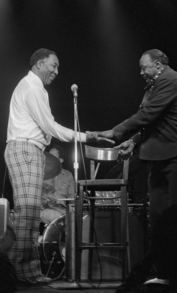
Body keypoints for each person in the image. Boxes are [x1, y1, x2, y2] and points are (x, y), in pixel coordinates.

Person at [89, 49, 177, 291]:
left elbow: (149, 114)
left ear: (159, 64)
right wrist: (134, 141)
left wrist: (115, 131)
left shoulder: (172, 79)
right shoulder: (154, 86)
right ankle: (165, 271)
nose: (141, 72)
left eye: (144, 67)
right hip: (161, 156)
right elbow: (156, 122)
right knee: (158, 216)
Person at [4, 48, 112, 286]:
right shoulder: (32, 87)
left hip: (30, 150)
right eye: (54, 65)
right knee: (29, 212)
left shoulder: (34, 88)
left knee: (29, 214)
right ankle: (21, 271)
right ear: (40, 63)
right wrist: (87, 136)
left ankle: (24, 271)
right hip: (25, 149)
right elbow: (51, 128)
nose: (56, 71)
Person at [41, 145, 75, 225]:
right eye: (48, 155)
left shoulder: (68, 175)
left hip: (62, 210)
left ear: (61, 160)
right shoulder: (42, 174)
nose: (49, 158)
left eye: (53, 155)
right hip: (45, 209)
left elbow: (72, 198)